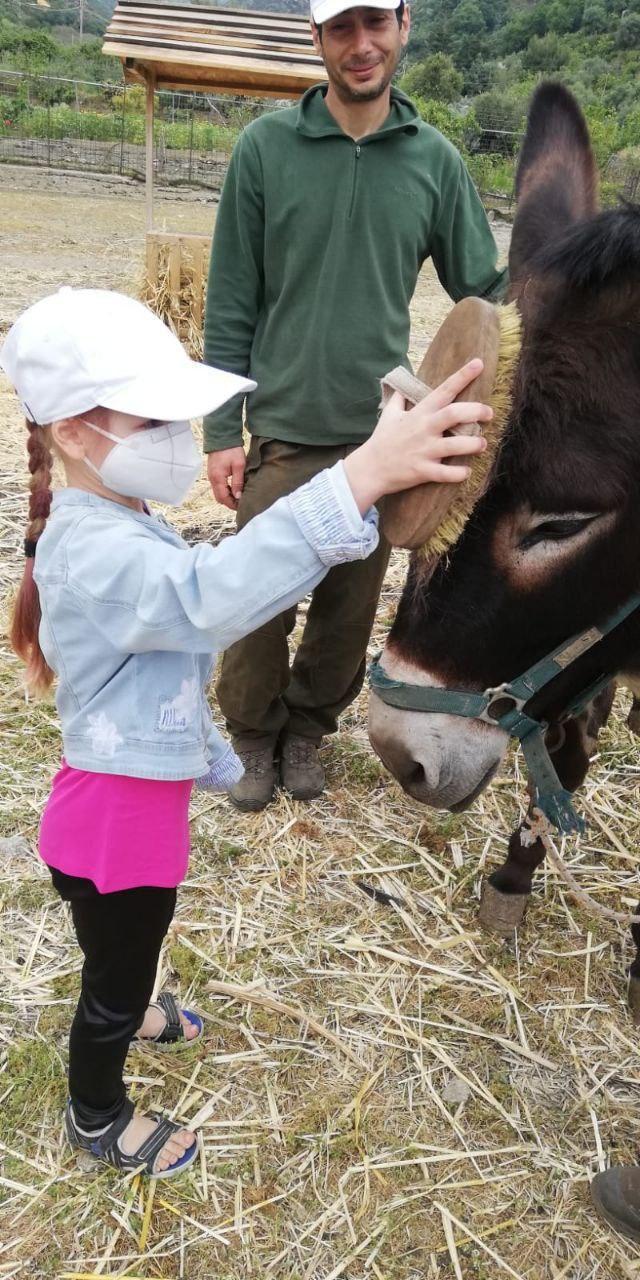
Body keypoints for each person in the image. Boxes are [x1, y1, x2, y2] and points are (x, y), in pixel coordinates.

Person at [1, 285, 492, 1178]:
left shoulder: (112, 520)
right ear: (74, 430)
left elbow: (186, 625)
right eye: (152, 420)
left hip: (106, 815)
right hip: (118, 830)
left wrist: (365, 490)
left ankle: (132, 999)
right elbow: (210, 597)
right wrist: (360, 478)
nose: (177, 441)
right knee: (110, 981)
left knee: (118, 950)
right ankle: (97, 1114)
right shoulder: (95, 549)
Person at [203, 0, 508, 811]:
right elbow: (231, 297)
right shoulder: (265, 149)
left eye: (376, 23)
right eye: (342, 27)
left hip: (384, 437)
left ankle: (307, 730)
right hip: (281, 430)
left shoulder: (434, 161)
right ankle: (252, 735)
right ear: (318, 38)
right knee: (254, 602)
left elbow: (485, 290)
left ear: (405, 25)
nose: (361, 44)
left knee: (347, 609)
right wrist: (218, 429)